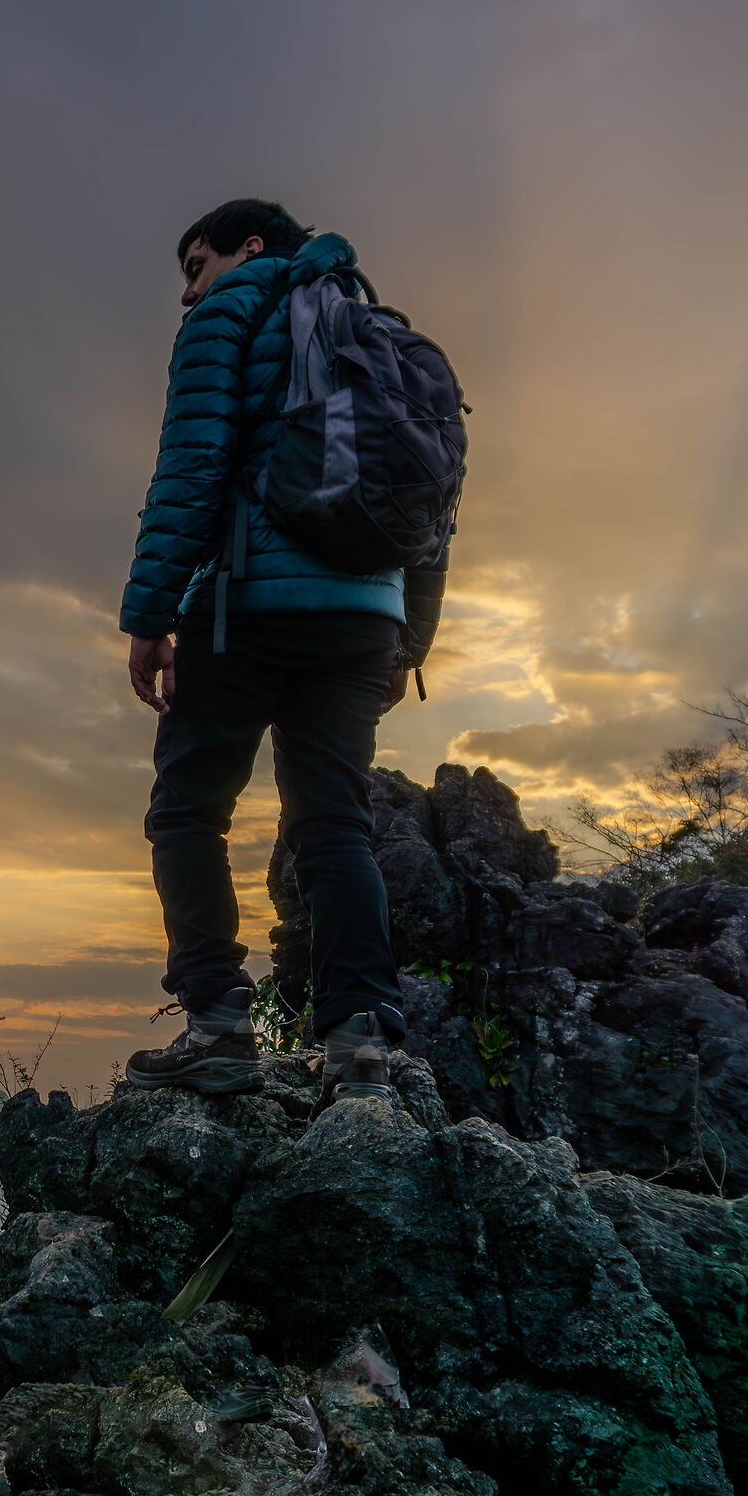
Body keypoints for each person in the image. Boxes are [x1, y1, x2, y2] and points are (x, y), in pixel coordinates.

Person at [119, 197, 446, 1103]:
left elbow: (193, 467)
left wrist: (149, 616)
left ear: (251, 246)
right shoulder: (381, 331)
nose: (189, 293)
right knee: (335, 823)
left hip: (249, 605)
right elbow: (434, 501)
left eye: (197, 266)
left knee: (188, 811)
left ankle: (217, 1025)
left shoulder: (229, 315)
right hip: (366, 620)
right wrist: (407, 640)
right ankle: (360, 1041)